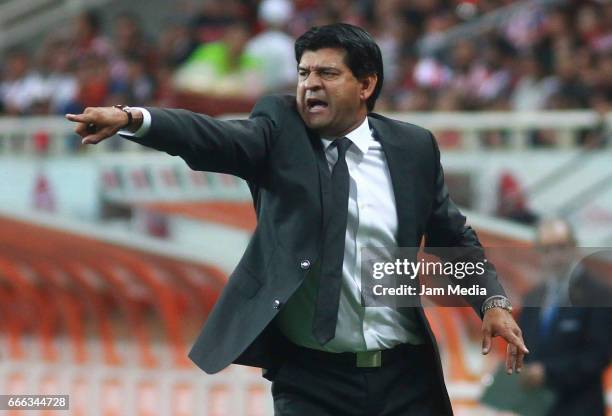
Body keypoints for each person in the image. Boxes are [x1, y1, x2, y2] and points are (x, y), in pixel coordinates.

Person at [66, 23, 528, 416]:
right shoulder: (277, 131)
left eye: (327, 73)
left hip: (406, 377)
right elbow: (212, 137)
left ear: (366, 85)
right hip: (311, 381)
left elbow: (453, 239)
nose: (310, 84)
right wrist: (132, 118)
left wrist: (492, 303)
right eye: (304, 73)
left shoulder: (412, 148)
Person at [518, 218, 611, 416]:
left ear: (574, 248)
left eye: (560, 247)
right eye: (546, 249)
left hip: (580, 408)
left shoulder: (599, 295)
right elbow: (523, 346)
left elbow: (598, 356)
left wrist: (548, 372)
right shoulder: (532, 297)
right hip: (537, 408)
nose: (554, 256)